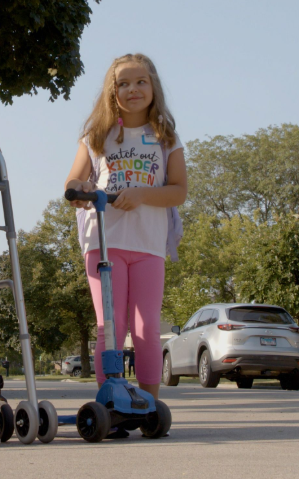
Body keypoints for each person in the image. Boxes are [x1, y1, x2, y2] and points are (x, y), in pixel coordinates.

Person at [64, 54, 187, 429]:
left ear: (153, 88)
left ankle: (149, 405)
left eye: (140, 82)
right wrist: (82, 190)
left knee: (147, 327)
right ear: (111, 91)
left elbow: (179, 191)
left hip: (149, 244)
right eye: (123, 84)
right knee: (110, 327)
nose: (132, 90)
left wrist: (144, 193)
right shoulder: (96, 137)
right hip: (105, 241)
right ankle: (111, 405)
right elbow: (71, 184)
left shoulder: (166, 136)